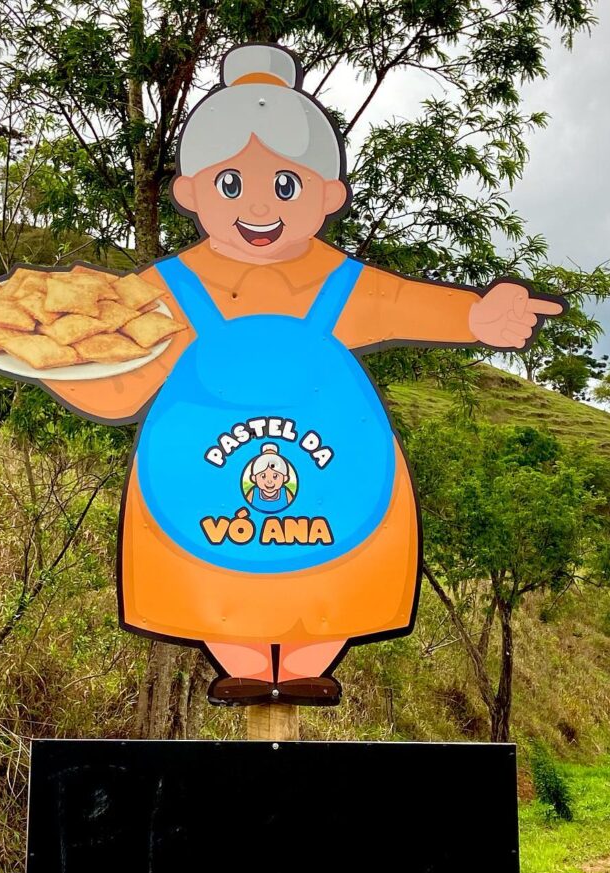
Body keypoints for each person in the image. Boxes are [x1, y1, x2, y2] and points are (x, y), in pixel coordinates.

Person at [40, 43, 564, 707]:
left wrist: (477, 316)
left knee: (346, 554)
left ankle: (310, 660)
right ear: (191, 192)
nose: (259, 206)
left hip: (335, 469)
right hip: (194, 476)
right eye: (231, 185)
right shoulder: (166, 289)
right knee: (201, 564)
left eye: (285, 185)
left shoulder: (341, 283)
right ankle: (239, 660)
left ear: (327, 196)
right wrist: (56, 362)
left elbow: (403, 302)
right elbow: (116, 367)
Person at [245, 443, 295, 512]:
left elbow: (294, 509)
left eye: (275, 476)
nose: (269, 481)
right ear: (254, 478)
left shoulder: (285, 494)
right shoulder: (253, 493)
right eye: (263, 476)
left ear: (284, 478)